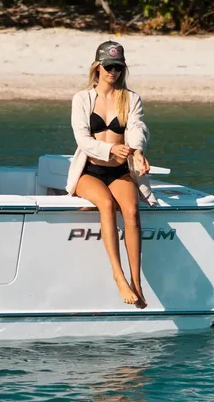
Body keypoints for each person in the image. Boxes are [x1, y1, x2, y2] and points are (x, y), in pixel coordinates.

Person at [65, 41, 155, 309]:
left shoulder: (130, 98)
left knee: (131, 210)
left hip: (119, 170)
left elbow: (137, 127)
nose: (113, 72)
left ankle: (136, 281)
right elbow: (83, 139)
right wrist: (110, 147)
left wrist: (137, 151)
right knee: (106, 204)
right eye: (108, 66)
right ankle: (118, 275)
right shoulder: (82, 99)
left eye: (118, 67)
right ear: (97, 67)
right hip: (89, 170)